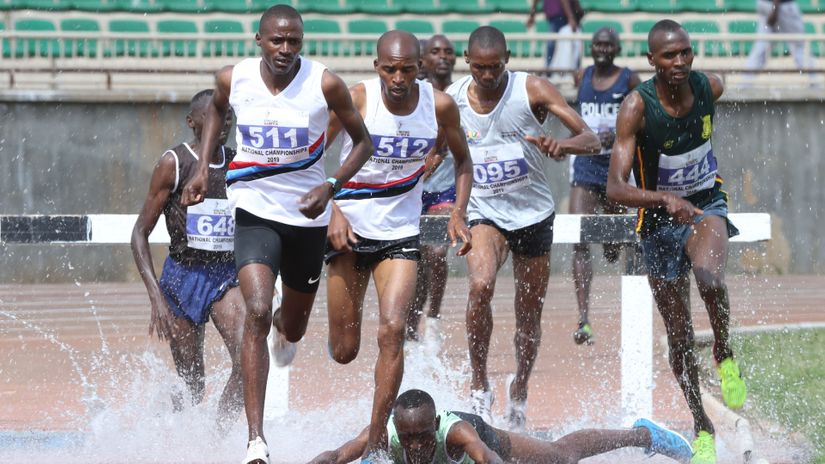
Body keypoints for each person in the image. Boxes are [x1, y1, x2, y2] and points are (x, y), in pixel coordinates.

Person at [180, 5, 375, 463]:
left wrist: (330, 188)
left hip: (306, 220)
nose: (285, 49)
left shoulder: (324, 82)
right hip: (254, 210)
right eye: (277, 41)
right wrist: (203, 172)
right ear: (259, 40)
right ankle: (256, 440)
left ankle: (287, 330)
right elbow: (215, 115)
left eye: (294, 41)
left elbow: (364, 143)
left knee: (291, 325)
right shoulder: (234, 77)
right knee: (258, 310)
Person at [324, 30, 473, 459]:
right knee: (345, 351)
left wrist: (459, 212)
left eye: (407, 69)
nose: (398, 77)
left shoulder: (438, 105)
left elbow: (463, 159)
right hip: (349, 232)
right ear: (377, 67)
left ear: (419, 67)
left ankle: (375, 446)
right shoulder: (357, 99)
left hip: (398, 235)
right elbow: (314, 156)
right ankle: (291, 320)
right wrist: (332, 209)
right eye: (390, 68)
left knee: (392, 331)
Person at [606, 20, 748, 463]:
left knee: (709, 275)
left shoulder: (710, 87)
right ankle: (701, 424)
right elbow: (615, 188)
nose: (680, 62)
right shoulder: (636, 107)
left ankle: (724, 351)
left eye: (685, 53)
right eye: (669, 56)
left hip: (707, 204)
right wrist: (664, 198)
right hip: (658, 223)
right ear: (651, 61)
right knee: (680, 336)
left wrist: (687, 198)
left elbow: (716, 89)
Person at [450, 26, 600, 432]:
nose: (487, 76)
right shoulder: (452, 98)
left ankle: (520, 390)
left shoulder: (532, 89)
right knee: (480, 285)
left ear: (508, 59)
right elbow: (433, 148)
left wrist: (561, 146)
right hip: (486, 212)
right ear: (467, 60)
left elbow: (592, 139)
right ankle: (480, 386)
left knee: (527, 317)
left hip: (533, 216)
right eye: (479, 68)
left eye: (494, 68)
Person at [131, 89, 245, 431]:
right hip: (181, 279)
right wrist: (156, 298)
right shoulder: (174, 163)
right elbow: (139, 234)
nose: (222, 123)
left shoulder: (238, 162)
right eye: (212, 116)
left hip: (225, 276)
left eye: (226, 116)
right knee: (193, 386)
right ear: (192, 122)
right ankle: (172, 429)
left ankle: (217, 437)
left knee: (249, 360)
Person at [308, 389, 693, 464]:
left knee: (562, 456)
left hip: (483, 437)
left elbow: (488, 458)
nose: (416, 446)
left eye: (422, 437)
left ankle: (645, 434)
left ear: (435, 426)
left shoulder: (455, 434)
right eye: (407, 438)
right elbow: (336, 455)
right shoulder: (386, 438)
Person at [568, 28, 641, 345]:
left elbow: (642, 115)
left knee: (615, 246)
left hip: (616, 167)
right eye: (598, 44)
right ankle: (583, 319)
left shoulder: (629, 79)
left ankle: (635, 309)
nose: (602, 49)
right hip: (585, 165)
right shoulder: (580, 75)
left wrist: (621, 133)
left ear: (617, 48)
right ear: (591, 47)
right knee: (578, 236)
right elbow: (575, 113)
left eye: (608, 45)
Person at [405, 34, 458, 350]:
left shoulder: (462, 94)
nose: (443, 56)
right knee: (415, 263)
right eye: (435, 51)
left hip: (445, 190)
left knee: (436, 253)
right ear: (422, 59)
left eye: (448, 52)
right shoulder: (412, 94)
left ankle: (434, 320)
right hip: (411, 188)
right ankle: (411, 327)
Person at [745, 0, 814, 73]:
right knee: (801, 48)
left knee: (760, 49)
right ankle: (814, 82)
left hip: (765, 4)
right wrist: (775, 8)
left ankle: (745, 83)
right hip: (780, 6)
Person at [526, 0, 584, 69]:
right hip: (561, 15)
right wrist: (571, 17)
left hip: (561, 15)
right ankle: (549, 71)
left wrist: (532, 14)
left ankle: (550, 70)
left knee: (558, 44)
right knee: (554, 43)